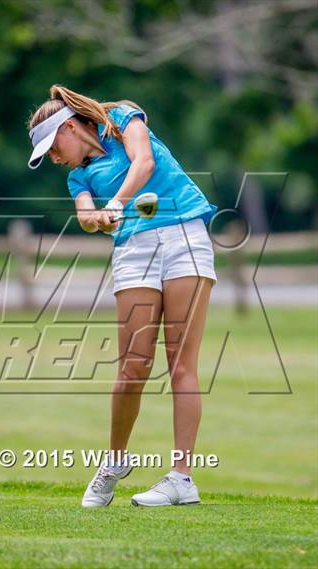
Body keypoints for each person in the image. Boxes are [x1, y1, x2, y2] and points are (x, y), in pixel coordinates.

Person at [27, 85, 218, 508]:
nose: (54, 160)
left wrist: (116, 200)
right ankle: (114, 462)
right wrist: (98, 218)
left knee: (181, 364)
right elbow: (86, 217)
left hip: (185, 232)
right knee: (133, 367)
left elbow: (144, 162)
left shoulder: (125, 117)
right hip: (133, 249)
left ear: (70, 129)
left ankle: (181, 479)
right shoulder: (79, 175)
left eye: (53, 149)